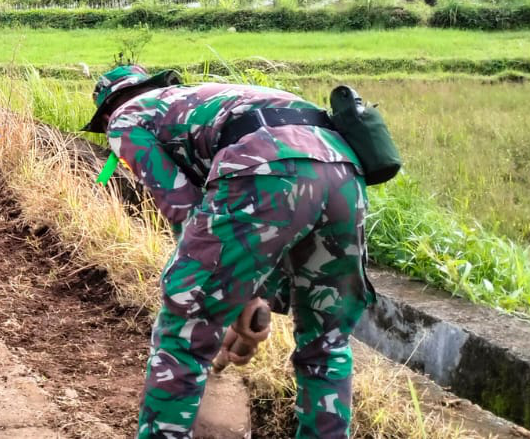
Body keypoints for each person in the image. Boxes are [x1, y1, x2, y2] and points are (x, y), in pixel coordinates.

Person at [80, 64, 371, 439]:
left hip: (263, 167)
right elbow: (265, 222)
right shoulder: (202, 100)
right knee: (326, 343)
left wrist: (220, 299)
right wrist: (251, 302)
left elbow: (184, 208)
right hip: (344, 173)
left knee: (185, 326)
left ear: (106, 113)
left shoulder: (124, 119)